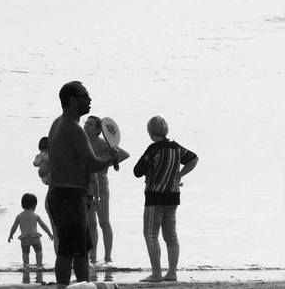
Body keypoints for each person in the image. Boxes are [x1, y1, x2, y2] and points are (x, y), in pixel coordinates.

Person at [46, 81, 119, 287]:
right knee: (69, 250)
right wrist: (111, 158)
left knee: (80, 248)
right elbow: (93, 163)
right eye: (85, 96)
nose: (89, 100)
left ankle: (82, 285)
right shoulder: (74, 129)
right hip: (69, 196)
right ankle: (66, 287)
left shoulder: (57, 122)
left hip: (60, 194)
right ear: (72, 100)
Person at [133, 115, 198, 283]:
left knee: (151, 234)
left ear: (150, 132)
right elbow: (193, 158)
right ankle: (171, 272)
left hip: (155, 196)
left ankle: (156, 273)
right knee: (171, 235)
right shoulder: (176, 147)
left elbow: (137, 171)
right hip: (173, 195)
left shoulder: (153, 149)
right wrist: (179, 175)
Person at [83, 115, 130, 266]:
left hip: (102, 188)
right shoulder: (83, 143)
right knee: (91, 224)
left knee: (104, 222)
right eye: (86, 123)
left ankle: (108, 258)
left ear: (98, 130)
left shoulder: (103, 143)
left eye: (91, 125)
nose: (86, 126)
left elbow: (123, 154)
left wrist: (105, 164)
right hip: (86, 188)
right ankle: (93, 257)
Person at [8, 193, 54, 268]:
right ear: (34, 205)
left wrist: (10, 235)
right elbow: (43, 225)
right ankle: (39, 264)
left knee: (25, 253)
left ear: (22, 205)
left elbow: (14, 227)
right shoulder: (35, 216)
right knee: (38, 251)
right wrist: (49, 233)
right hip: (35, 237)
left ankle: (26, 265)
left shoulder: (19, 216)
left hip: (24, 238)